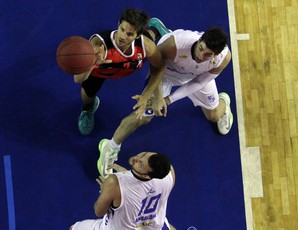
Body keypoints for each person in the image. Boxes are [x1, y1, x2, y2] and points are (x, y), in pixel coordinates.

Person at [97, 18, 233, 178]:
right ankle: (110, 146)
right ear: (200, 39)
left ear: (216, 54)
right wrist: (157, 97)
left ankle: (224, 101)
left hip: (194, 77)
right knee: (144, 115)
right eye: (201, 48)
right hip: (165, 72)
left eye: (207, 54)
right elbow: (156, 65)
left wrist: (169, 100)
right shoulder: (175, 45)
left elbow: (200, 81)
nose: (200, 55)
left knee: (214, 116)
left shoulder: (223, 57)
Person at [74, 9, 165, 135]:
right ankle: (88, 109)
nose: (122, 36)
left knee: (151, 38)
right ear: (118, 24)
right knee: (87, 96)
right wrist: (91, 64)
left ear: (138, 36)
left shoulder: (146, 46)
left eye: (129, 34)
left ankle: (154, 28)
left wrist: (146, 95)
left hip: (129, 64)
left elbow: (159, 67)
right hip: (100, 72)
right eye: (122, 29)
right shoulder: (97, 46)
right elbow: (77, 79)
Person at [70, 151, 176, 230]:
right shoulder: (168, 173)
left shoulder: (114, 183)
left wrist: (106, 192)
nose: (137, 158)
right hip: (153, 227)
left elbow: (99, 211)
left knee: (73, 228)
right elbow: (144, 190)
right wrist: (128, 175)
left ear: (146, 175)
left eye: (141, 164)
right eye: (143, 155)